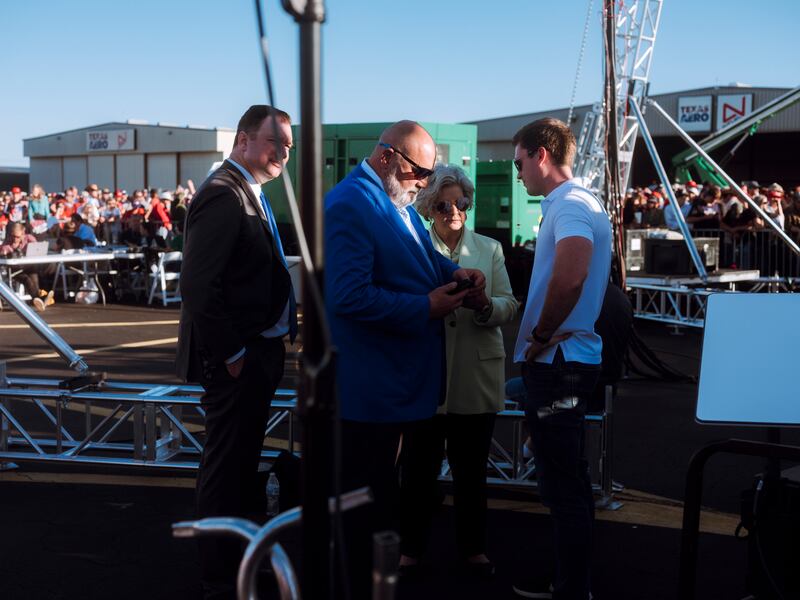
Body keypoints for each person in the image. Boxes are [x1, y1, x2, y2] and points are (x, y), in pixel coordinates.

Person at [324, 120, 486, 598]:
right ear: (388, 156)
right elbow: (348, 297)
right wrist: (424, 307)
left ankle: (370, 581)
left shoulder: (394, 201)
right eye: (420, 171)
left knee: (379, 502)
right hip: (371, 387)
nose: (424, 182)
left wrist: (456, 271)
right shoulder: (351, 203)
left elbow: (420, 255)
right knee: (365, 506)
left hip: (394, 385)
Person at [176, 104, 297, 600]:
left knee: (242, 463)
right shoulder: (225, 194)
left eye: (288, 147)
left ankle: (239, 559)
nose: (283, 155)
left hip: (256, 351)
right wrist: (231, 354)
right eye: (275, 144)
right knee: (227, 466)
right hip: (235, 357)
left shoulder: (250, 191)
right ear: (244, 140)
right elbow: (199, 287)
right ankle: (219, 574)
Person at [396, 164, 518, 577]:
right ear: (429, 208)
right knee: (416, 472)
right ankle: (410, 548)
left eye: (461, 202)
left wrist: (483, 305)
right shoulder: (411, 247)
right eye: (445, 203)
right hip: (426, 378)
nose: (454, 210)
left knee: (471, 474)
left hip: (474, 378)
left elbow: (508, 306)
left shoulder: (491, 248)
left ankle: (473, 549)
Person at [510, 118, 611, 600]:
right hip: (567, 361)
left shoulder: (569, 204)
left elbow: (571, 276)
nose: (518, 173)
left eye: (519, 162)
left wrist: (541, 336)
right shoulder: (582, 201)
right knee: (571, 480)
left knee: (563, 488)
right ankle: (571, 582)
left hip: (559, 362)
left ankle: (571, 590)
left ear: (541, 155)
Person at [0, 222, 55, 311]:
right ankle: (39, 299)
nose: (15, 239)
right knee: (27, 280)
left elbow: (38, 248)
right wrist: (9, 249)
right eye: (13, 236)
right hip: (14, 270)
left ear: (23, 233)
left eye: (17, 237)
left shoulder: (28, 238)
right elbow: (3, 250)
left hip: (28, 267)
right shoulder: (8, 242)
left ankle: (39, 301)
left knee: (34, 276)